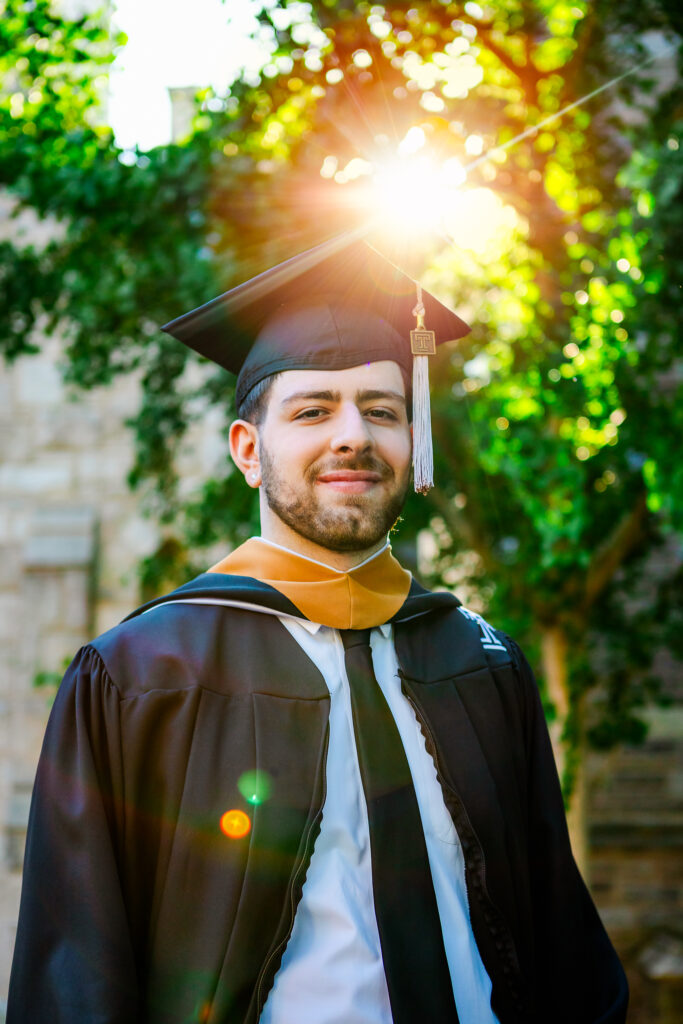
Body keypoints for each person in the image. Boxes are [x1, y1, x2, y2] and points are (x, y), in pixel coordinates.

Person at [8, 234, 628, 1024]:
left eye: (381, 410)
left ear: (413, 439)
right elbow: (76, 977)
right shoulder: (139, 677)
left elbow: (559, 944)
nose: (352, 436)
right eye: (311, 410)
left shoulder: (481, 662)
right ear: (247, 450)